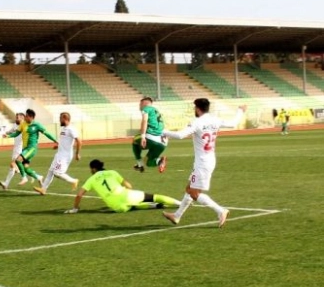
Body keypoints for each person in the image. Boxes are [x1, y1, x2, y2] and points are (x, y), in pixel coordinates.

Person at [161, 99, 247, 228]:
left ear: (197, 108)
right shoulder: (214, 119)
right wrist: (240, 110)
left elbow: (180, 135)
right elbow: (234, 123)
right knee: (189, 188)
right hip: (209, 159)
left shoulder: (197, 122)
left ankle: (220, 210)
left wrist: (164, 131)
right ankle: (177, 216)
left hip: (202, 164)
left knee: (194, 193)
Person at [64, 159, 180, 214]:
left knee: (131, 207)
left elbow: (79, 195)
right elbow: (128, 185)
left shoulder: (92, 179)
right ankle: (179, 203)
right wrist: (130, 193)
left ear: (94, 169)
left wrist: (75, 208)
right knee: (154, 196)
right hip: (126, 195)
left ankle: (153, 206)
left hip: (117, 207)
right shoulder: (112, 172)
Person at [5, 108, 57, 186]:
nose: (25, 117)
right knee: (25, 168)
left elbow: (47, 133)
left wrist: (56, 141)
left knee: (18, 160)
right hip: (25, 149)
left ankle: (24, 178)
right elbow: (16, 133)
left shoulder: (37, 125)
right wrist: (8, 136)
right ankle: (38, 177)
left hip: (32, 148)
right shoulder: (23, 124)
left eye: (27, 116)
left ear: (31, 117)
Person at [33, 112, 81, 195]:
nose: (59, 120)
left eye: (60, 118)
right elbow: (63, 140)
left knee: (57, 173)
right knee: (51, 171)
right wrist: (57, 145)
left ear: (65, 118)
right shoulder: (63, 129)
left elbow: (79, 141)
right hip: (59, 154)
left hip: (65, 156)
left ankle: (74, 181)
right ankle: (43, 189)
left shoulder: (71, 129)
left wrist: (77, 154)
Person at [132, 97, 167, 173]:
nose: (139, 106)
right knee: (148, 162)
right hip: (163, 142)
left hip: (151, 136)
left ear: (144, 103)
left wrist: (143, 136)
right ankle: (159, 161)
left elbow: (144, 121)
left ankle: (139, 164)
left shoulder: (146, 109)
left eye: (140, 104)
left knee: (134, 140)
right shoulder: (157, 111)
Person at [0, 113, 26, 189]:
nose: (16, 118)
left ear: (22, 118)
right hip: (16, 148)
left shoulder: (25, 126)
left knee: (13, 165)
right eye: (16, 117)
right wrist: (6, 133)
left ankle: (21, 173)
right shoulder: (15, 125)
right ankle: (6, 184)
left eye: (18, 117)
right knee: (12, 168)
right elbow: (11, 131)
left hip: (21, 148)